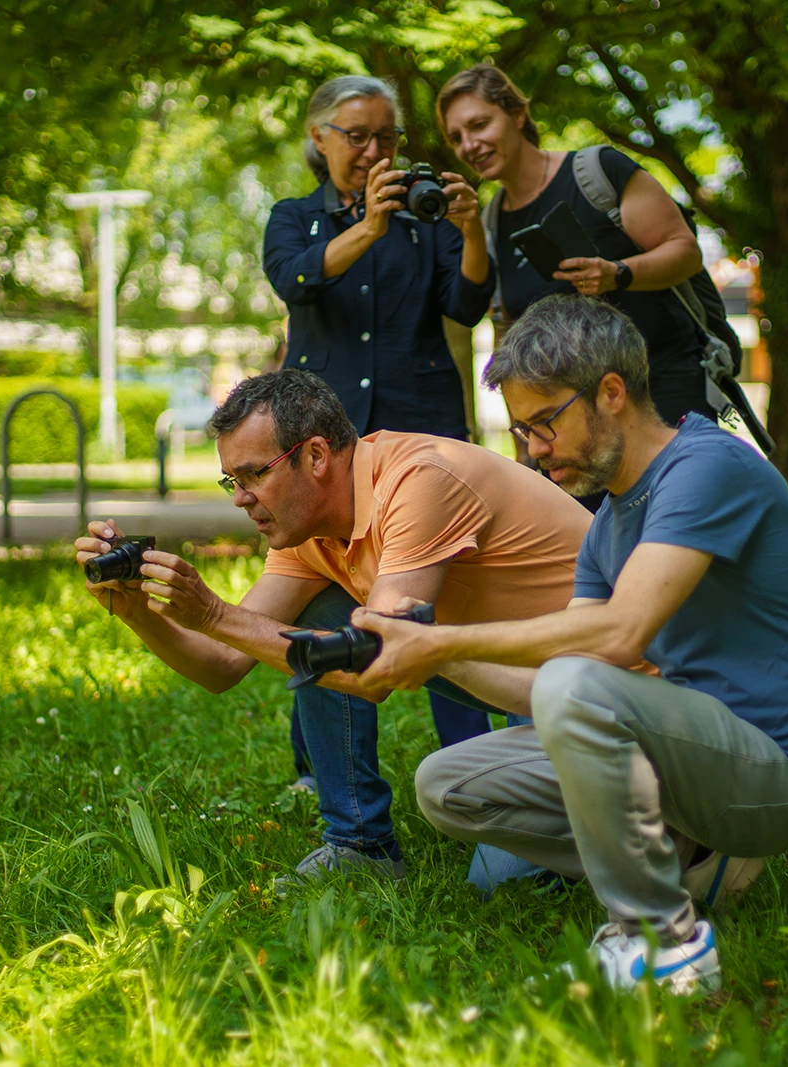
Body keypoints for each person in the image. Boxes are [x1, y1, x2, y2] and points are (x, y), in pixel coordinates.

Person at [351, 295, 788, 993]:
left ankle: (661, 942)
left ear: (611, 393)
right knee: (447, 784)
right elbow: (564, 686)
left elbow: (622, 632)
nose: (532, 448)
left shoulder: (705, 467)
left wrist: (447, 642)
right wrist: (435, 651)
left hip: (778, 773)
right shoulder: (609, 526)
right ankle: (690, 864)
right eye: (522, 430)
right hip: (691, 757)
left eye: (543, 423)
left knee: (573, 686)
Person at [74, 370, 589, 886]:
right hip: (506, 676)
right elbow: (223, 665)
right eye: (233, 481)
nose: (240, 498)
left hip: (597, 679)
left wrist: (214, 613)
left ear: (316, 456)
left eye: (254, 475)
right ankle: (358, 844)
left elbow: (381, 666)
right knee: (315, 620)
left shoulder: (420, 480)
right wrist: (137, 609)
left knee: (507, 886)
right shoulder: (308, 532)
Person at [260, 74, 503, 811]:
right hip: (324, 440)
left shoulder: (422, 217)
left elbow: (465, 303)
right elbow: (293, 279)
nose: (374, 151)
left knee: (446, 598)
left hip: (420, 425)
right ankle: (321, 775)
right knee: (319, 591)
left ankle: (478, 771)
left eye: (387, 137)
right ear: (319, 139)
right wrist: (364, 227)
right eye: (357, 136)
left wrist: (467, 231)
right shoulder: (295, 217)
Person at [436, 64, 717, 432]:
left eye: (478, 125)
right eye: (456, 137)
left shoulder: (597, 173)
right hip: (575, 437)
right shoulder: (489, 222)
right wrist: (525, 436)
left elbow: (685, 252)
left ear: (517, 114)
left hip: (664, 405)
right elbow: (509, 336)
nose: (468, 146)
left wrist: (618, 274)